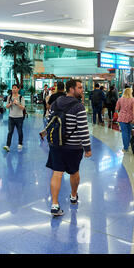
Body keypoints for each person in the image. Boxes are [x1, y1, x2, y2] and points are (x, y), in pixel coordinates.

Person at [44, 79, 91, 216]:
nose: (82, 90)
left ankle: (54, 204)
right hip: (73, 147)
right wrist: (87, 148)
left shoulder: (55, 103)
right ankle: (73, 196)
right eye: (80, 87)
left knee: (57, 173)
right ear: (71, 89)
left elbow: (50, 122)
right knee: (74, 172)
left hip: (56, 145)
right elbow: (83, 129)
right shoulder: (79, 107)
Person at [3, 84, 26, 152]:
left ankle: (20, 143)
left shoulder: (21, 97)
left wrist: (17, 104)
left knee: (20, 131)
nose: (13, 89)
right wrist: (11, 104)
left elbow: (23, 108)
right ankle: (7, 145)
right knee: (10, 131)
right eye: (13, 88)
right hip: (11, 117)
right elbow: (6, 106)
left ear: (18, 89)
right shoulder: (9, 97)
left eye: (15, 88)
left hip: (19, 117)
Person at [115, 87, 134, 152]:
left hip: (122, 117)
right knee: (129, 132)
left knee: (124, 133)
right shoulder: (133, 100)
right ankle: (128, 144)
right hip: (130, 118)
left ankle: (125, 147)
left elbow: (116, 108)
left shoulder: (120, 99)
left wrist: (121, 110)